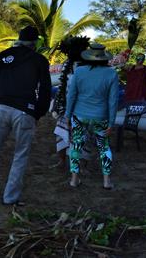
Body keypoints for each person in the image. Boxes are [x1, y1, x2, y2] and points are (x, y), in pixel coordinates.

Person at [0, 26, 51, 206]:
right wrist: (38, 112)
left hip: (1, 108)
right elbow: (45, 90)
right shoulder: (40, 60)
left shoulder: (5, 55)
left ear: (19, 39)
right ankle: (10, 198)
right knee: (20, 155)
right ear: (35, 43)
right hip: (25, 111)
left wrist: (3, 95)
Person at [65, 43, 119, 189]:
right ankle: (107, 181)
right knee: (104, 147)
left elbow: (71, 96)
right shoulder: (112, 73)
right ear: (104, 58)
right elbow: (113, 101)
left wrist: (67, 115)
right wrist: (111, 123)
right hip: (101, 117)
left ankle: (74, 179)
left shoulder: (79, 71)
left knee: (76, 146)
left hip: (79, 115)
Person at [51, 36, 93, 170]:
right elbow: (61, 87)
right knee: (60, 134)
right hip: (66, 107)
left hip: (82, 107)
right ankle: (62, 161)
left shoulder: (88, 67)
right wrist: (58, 105)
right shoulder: (66, 65)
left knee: (83, 136)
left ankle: (82, 164)